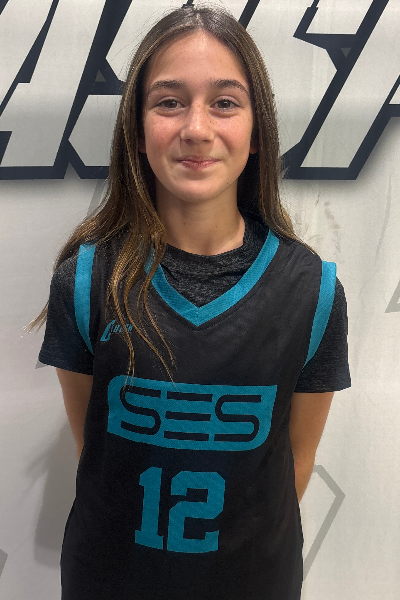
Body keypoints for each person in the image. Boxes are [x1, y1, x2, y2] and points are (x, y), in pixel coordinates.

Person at [33, 4, 351, 600]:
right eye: (169, 102)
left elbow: (294, 463)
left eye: (225, 102)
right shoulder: (85, 281)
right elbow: (97, 453)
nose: (197, 128)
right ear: (137, 129)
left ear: (257, 133)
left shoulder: (312, 291)